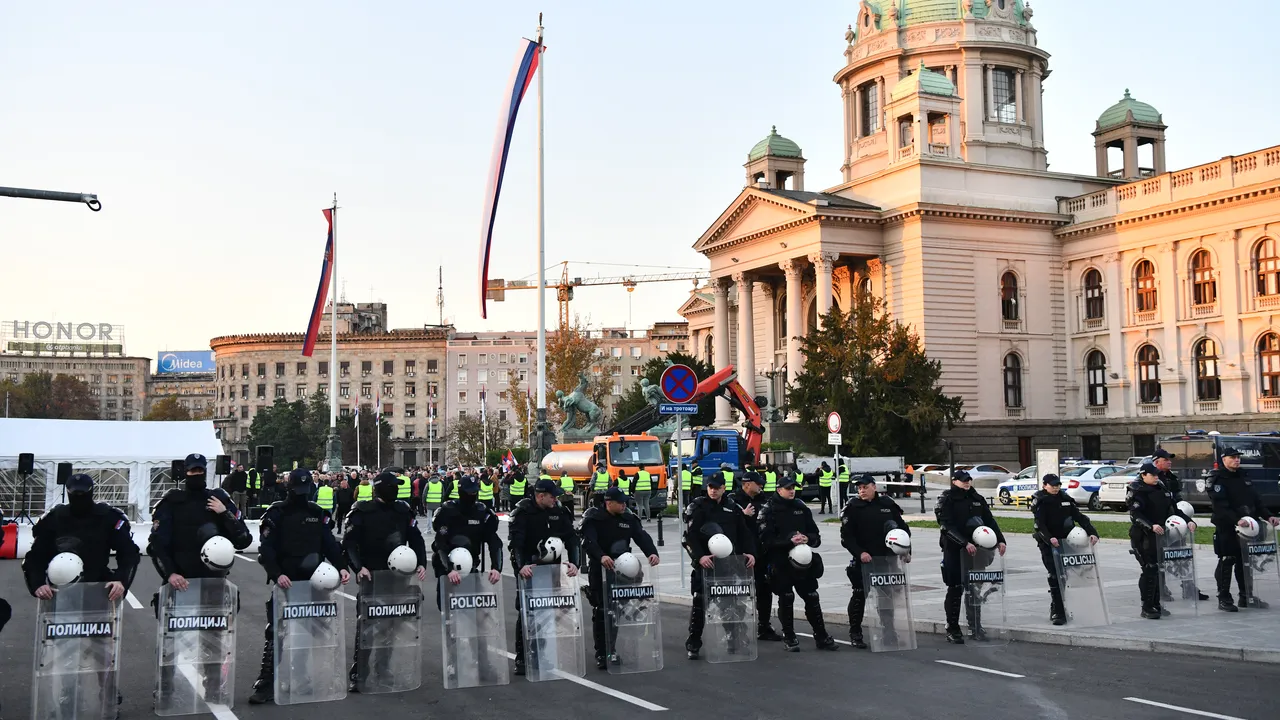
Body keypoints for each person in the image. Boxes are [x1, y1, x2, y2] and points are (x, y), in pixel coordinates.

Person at [22, 472, 140, 712]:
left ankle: (107, 692)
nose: (78, 498)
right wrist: (38, 584)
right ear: (67, 493)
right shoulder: (55, 518)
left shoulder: (107, 517)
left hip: (98, 591)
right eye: (74, 494)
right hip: (62, 593)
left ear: (91, 493)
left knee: (102, 649)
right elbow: (34, 558)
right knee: (65, 649)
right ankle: (68, 691)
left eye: (82, 494)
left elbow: (129, 553)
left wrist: (120, 581)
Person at [150, 453, 253, 701]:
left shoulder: (219, 499)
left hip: (212, 583)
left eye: (199, 471)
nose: (196, 475)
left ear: (206, 471)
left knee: (213, 639)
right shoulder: (172, 501)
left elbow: (244, 539)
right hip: (180, 583)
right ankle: (165, 689)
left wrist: (225, 513)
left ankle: (214, 686)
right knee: (169, 640)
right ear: (184, 472)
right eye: (192, 471)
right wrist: (170, 573)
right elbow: (157, 545)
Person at [249, 469, 350, 705]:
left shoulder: (317, 513)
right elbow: (267, 549)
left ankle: (301, 677)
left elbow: (329, 544)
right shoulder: (277, 513)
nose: (302, 495)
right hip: (286, 582)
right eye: (298, 490)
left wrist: (342, 567)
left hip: (314, 583)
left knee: (307, 632)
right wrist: (277, 574)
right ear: (289, 488)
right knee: (276, 632)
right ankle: (267, 682)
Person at [343, 472, 428, 691]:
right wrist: (358, 567)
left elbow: (416, 539)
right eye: (392, 486)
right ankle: (359, 673)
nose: (396, 489)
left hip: (398, 575)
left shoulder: (402, 510)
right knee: (367, 625)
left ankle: (383, 668)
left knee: (391, 624)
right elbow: (349, 543)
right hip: (372, 575)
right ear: (380, 488)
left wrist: (421, 563)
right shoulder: (362, 511)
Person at [580, 487, 660, 669]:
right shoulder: (594, 518)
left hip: (623, 572)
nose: (624, 505)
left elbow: (641, 536)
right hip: (600, 569)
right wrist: (601, 556)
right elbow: (588, 541)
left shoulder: (628, 519)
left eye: (625, 502)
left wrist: (652, 553)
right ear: (608, 503)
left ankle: (612, 650)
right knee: (602, 610)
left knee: (615, 611)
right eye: (620, 502)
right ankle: (602, 653)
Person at [508, 478, 580, 675]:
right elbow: (516, 543)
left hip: (552, 569)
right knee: (527, 612)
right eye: (552, 496)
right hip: (530, 569)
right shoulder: (523, 512)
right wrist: (521, 566)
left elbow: (572, 538)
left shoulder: (559, 512)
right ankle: (523, 657)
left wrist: (575, 562)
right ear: (540, 496)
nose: (555, 499)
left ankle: (541, 653)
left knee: (548, 611)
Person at [758, 476, 838, 652]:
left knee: (812, 596)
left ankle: (821, 636)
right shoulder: (768, 509)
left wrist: (807, 538)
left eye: (793, 487)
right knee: (786, 597)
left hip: (803, 562)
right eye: (788, 488)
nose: (792, 491)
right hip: (781, 562)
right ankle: (790, 637)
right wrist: (788, 542)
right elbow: (765, 541)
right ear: (779, 490)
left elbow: (816, 535)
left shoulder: (801, 507)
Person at [682, 472, 757, 660]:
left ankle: (733, 639)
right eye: (710, 487)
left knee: (731, 604)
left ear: (724, 488)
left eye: (717, 487)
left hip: (729, 564)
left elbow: (744, 533)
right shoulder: (699, 507)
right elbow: (689, 537)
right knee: (700, 604)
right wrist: (700, 557)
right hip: (706, 564)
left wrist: (750, 553)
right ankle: (694, 642)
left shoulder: (732, 507)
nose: (713, 490)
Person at [935, 469, 1007, 643]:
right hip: (955, 550)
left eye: (968, 480)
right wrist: (964, 543)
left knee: (974, 589)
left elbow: (990, 521)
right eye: (963, 480)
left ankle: (975, 626)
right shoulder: (947, 499)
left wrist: (1000, 540)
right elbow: (946, 526)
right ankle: (953, 628)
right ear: (954, 481)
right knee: (955, 588)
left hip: (977, 551)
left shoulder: (977, 499)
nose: (967, 482)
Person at [840, 474, 910, 648]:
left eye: (865, 487)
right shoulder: (853, 507)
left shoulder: (887, 504)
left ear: (874, 486)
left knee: (886, 597)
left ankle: (889, 631)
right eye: (859, 488)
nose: (861, 490)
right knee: (859, 596)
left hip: (886, 560)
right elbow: (847, 537)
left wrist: (906, 550)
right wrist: (860, 553)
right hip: (864, 561)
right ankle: (855, 633)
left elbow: (903, 529)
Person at [1208, 447, 1280, 612]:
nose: (1237, 460)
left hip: (1248, 528)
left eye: (1238, 457)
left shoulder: (1243, 476)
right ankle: (1224, 598)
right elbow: (1220, 505)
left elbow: (1256, 501)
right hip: (1227, 526)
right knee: (1227, 560)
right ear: (1224, 460)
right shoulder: (1218, 478)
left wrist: (1268, 516)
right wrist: (1236, 520)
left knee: (1245, 562)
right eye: (1233, 457)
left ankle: (1246, 596)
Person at [1128, 463, 1195, 619]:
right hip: (1143, 536)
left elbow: (1175, 510)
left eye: (1157, 474)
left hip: (1162, 535)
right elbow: (1135, 514)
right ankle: (1147, 606)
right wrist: (1150, 525)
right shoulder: (1137, 490)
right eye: (1153, 475)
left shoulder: (1162, 489)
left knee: (1158, 570)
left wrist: (1189, 521)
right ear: (1143, 475)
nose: (1156, 477)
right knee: (1149, 569)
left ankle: (1156, 604)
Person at [1030, 473, 1098, 625]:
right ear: (1044, 485)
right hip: (1049, 543)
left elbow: (1080, 517)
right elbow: (1039, 524)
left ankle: (1059, 606)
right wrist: (1049, 538)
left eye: (1058, 485)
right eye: (1052, 485)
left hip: (1067, 542)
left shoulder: (1065, 499)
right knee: (1055, 575)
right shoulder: (1041, 500)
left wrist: (1092, 532)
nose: (1056, 488)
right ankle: (1058, 612)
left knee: (1064, 576)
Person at [430, 475, 503, 608]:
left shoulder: (481, 512)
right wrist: (449, 569)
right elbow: (440, 543)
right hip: (448, 567)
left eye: (474, 492)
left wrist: (496, 567)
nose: (472, 496)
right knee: (447, 607)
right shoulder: (448, 511)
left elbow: (494, 542)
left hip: (471, 566)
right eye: (469, 493)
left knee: (477, 607)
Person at [730, 472, 781, 641]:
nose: (761, 486)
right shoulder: (733, 501)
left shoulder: (764, 500)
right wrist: (742, 516)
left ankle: (764, 626)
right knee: (739, 592)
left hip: (761, 553)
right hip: (740, 554)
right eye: (758, 483)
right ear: (747, 484)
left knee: (764, 589)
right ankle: (737, 629)